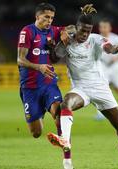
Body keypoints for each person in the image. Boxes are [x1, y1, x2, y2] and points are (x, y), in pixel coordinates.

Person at [47, 4, 118, 168]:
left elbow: (108, 48)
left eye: (88, 31)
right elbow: (54, 57)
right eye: (82, 31)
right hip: (81, 89)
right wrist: (63, 42)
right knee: (66, 102)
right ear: (77, 27)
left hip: (101, 89)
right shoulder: (68, 40)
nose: (85, 35)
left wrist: (115, 48)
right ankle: (65, 145)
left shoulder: (95, 39)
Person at [17, 3, 72, 168]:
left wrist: (64, 32)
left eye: (52, 18)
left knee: (59, 113)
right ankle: (38, 113)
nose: (49, 21)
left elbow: (71, 27)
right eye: (46, 17)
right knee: (36, 133)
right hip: (30, 88)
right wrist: (39, 67)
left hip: (49, 85)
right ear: (37, 16)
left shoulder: (53, 31)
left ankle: (67, 158)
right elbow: (20, 60)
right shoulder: (27, 32)